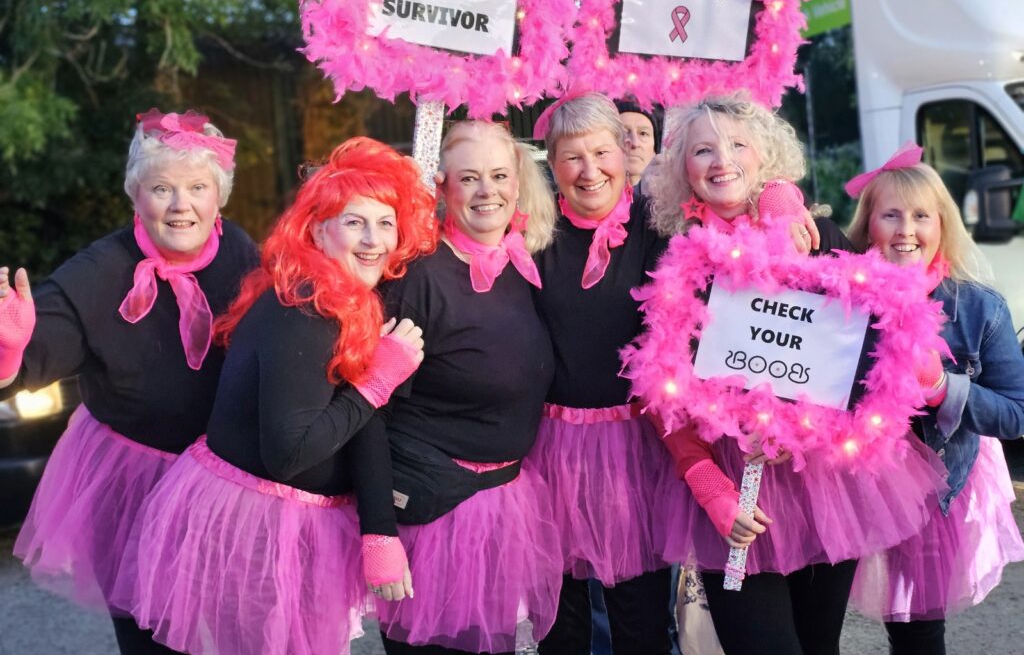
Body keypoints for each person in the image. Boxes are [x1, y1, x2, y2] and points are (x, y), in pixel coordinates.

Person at [640, 94, 948, 655]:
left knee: (817, 645)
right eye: (702, 150)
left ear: (765, 157)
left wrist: (809, 427)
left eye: (737, 145)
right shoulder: (670, 257)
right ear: (683, 168)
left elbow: (867, 352)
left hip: (821, 483)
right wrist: (708, 485)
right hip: (732, 484)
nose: (721, 161)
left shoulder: (812, 234)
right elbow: (658, 386)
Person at [113, 137, 438, 655]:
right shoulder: (304, 311)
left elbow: (361, 424)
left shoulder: (348, 299)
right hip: (254, 524)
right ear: (316, 230)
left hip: (294, 518)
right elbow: (289, 454)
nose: (373, 239)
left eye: (385, 223)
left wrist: (379, 530)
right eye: (354, 221)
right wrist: (377, 382)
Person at [0, 109, 259, 654]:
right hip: (134, 483)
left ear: (220, 197)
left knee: (235, 627)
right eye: (161, 187)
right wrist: (10, 346)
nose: (180, 204)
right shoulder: (99, 269)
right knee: (151, 636)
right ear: (135, 195)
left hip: (221, 479)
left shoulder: (240, 251)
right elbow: (34, 357)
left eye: (196, 187)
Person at [372, 120, 562, 654]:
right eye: (470, 178)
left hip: (503, 504)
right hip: (434, 512)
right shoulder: (418, 275)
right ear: (443, 188)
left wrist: (776, 194)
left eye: (500, 176)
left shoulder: (528, 261)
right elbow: (370, 410)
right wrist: (379, 530)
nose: (488, 192)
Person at [527, 92, 696, 655]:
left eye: (601, 152)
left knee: (642, 624)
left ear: (625, 152)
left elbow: (733, 199)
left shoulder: (662, 222)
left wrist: (781, 199)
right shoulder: (531, 231)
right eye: (572, 157)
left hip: (639, 447)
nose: (589, 170)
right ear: (552, 165)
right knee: (561, 626)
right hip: (552, 451)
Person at [844, 147, 1024, 655]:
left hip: (931, 492)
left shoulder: (977, 308)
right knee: (818, 620)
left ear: (942, 225)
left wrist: (944, 388)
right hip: (843, 485)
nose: (906, 229)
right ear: (868, 225)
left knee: (916, 631)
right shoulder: (840, 298)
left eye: (921, 215)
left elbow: (1017, 413)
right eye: (891, 215)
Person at [615, 98, 662, 193]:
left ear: (654, 149)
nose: (635, 143)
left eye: (643, 133)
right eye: (624, 133)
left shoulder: (673, 202)